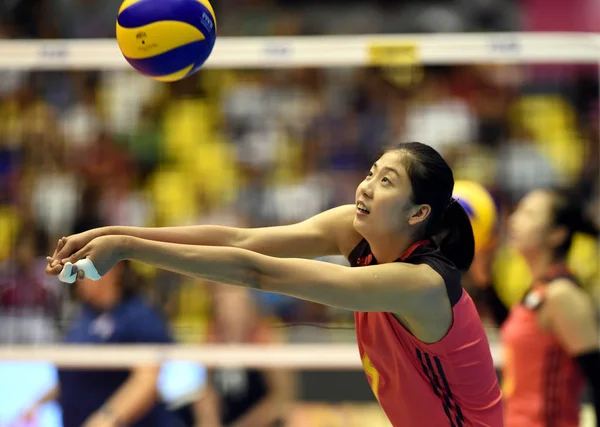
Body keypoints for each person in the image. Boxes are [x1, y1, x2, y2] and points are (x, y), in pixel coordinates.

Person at [47, 141, 503, 427]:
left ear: (418, 213)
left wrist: (128, 249)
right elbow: (241, 239)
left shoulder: (420, 285)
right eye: (370, 172)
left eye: (387, 182)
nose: (365, 187)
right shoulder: (353, 228)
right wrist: (114, 237)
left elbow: (257, 271)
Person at [26, 260, 180, 427]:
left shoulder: (139, 315)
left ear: (113, 269)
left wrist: (107, 419)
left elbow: (147, 380)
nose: (77, 278)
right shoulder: (83, 316)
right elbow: (76, 375)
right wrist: (38, 404)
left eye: (82, 270)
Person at [500, 188, 600, 427]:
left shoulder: (562, 294)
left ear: (556, 234)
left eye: (529, 214)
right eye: (517, 211)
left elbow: (598, 378)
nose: (514, 220)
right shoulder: (535, 292)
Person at [197, 286, 293, 427]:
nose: (229, 313)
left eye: (236, 307)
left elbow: (281, 399)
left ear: (249, 308)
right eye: (223, 305)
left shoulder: (265, 339)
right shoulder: (213, 337)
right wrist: (209, 420)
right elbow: (205, 389)